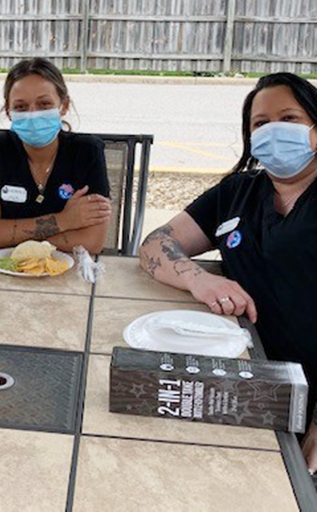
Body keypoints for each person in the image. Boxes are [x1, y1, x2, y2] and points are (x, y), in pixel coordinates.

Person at [137, 72, 317, 469]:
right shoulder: (239, 191)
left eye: (289, 119)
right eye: (260, 123)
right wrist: (198, 277)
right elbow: (155, 243)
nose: (273, 131)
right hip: (239, 381)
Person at [0, 57, 112, 253]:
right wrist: (64, 221)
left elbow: (92, 241)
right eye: (21, 107)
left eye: (44, 104)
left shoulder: (88, 151)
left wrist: (12, 236)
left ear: (64, 106)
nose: (33, 114)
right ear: (9, 112)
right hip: (6, 269)